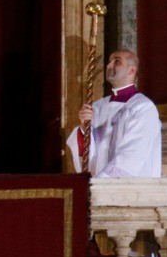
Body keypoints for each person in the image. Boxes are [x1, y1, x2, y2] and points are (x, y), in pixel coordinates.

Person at [66, 49, 161, 177]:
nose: (109, 65)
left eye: (117, 61)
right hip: (98, 187)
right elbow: (88, 154)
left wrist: (103, 181)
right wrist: (84, 128)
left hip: (129, 189)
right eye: (109, 62)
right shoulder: (97, 107)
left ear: (131, 70)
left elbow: (133, 153)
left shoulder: (143, 107)